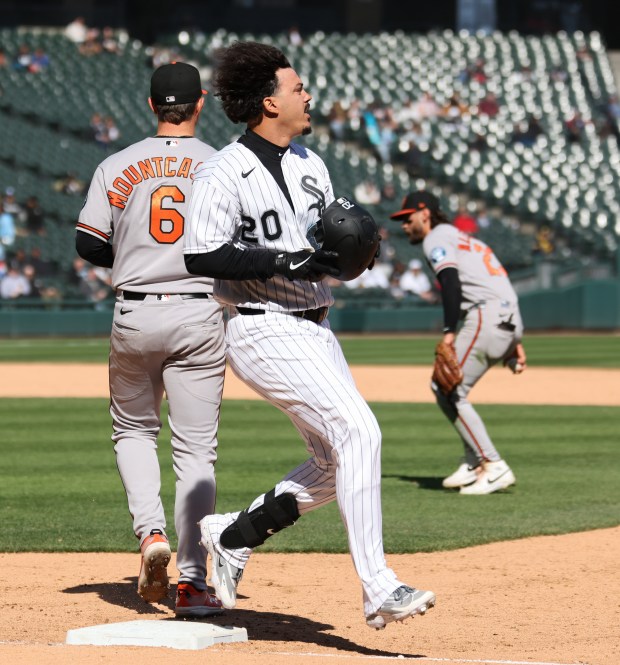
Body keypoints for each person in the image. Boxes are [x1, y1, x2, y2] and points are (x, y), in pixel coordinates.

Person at [183, 40, 435, 630]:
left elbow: (321, 248)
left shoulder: (310, 164)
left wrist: (344, 254)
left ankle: (233, 535)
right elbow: (202, 255)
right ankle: (379, 588)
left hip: (316, 326)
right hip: (258, 325)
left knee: (329, 462)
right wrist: (284, 261)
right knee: (358, 429)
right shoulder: (224, 170)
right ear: (269, 102)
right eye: (298, 88)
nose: (308, 94)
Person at [75, 62, 226, 617]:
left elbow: (89, 244)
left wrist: (137, 255)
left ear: (150, 105)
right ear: (200, 103)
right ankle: (191, 580)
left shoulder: (118, 164)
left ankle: (150, 535)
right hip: (200, 310)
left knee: (134, 430)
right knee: (196, 449)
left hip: (135, 310)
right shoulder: (222, 165)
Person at [390, 191, 526, 495]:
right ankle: (473, 460)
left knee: (446, 388)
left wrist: (449, 331)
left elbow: (450, 282)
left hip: (488, 316)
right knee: (450, 388)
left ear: (424, 214)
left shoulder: (435, 238)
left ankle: (492, 464)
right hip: (506, 316)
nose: (404, 225)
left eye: (407, 217)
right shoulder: (464, 238)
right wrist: (512, 337)